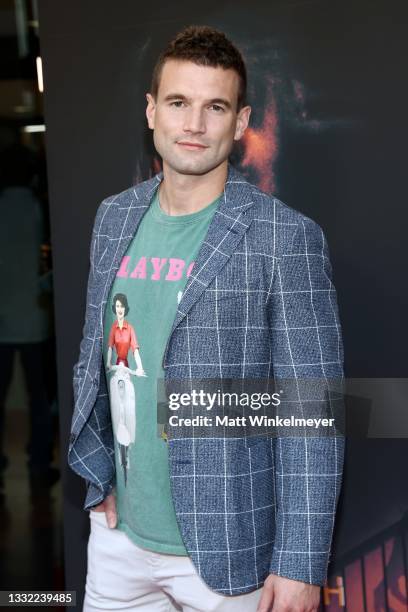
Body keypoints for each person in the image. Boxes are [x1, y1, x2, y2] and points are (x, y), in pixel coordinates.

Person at [68, 25, 344, 612]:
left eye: (214, 106)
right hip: (118, 544)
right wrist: (97, 479)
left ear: (240, 122)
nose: (194, 124)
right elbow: (95, 354)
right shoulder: (113, 218)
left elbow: (313, 411)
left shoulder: (284, 237)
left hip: (229, 554)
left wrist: (299, 563)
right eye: (178, 103)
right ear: (151, 112)